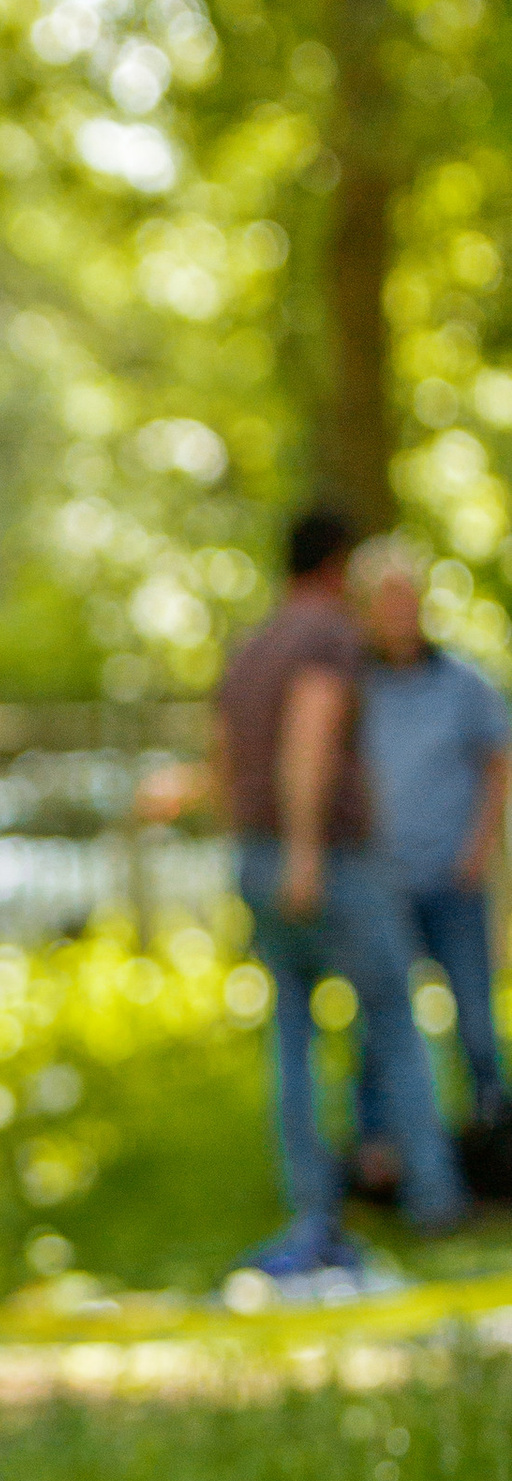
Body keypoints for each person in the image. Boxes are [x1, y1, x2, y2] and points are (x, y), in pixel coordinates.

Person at [214, 507, 468, 1283]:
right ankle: (431, 1197)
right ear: (334, 567)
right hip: (325, 858)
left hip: (255, 854)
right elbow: (310, 734)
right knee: (393, 1013)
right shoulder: (326, 637)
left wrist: (254, 849)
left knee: (290, 1028)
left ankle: (312, 1206)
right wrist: (302, 852)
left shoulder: (251, 647)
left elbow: (221, 755)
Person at [350, 535, 509, 1190]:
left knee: (475, 1019)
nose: (399, 614)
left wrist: (478, 848)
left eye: (407, 600)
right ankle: (381, 1159)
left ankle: (494, 1145)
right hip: (383, 884)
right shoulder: (355, 688)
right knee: (381, 1024)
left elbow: (498, 764)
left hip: (453, 878)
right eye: (386, 602)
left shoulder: (464, 684)